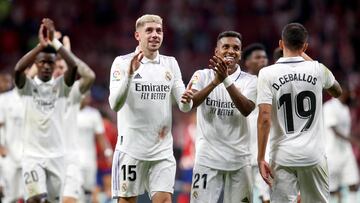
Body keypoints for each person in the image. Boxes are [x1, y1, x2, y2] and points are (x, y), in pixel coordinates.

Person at [108, 14, 193, 203]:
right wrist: (129, 75)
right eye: (149, 30)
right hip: (131, 150)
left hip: (161, 150)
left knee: (164, 200)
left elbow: (185, 105)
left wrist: (187, 99)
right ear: (137, 35)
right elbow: (115, 104)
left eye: (159, 30)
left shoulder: (170, 63)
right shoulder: (122, 62)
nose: (155, 35)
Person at [257, 22, 342, 203]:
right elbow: (337, 91)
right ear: (305, 46)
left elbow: (264, 118)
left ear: (281, 44)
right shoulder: (317, 69)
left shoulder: (266, 73)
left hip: (282, 157)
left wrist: (260, 157)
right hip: (314, 156)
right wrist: (308, 59)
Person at [188, 31, 257, 203]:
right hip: (207, 159)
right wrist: (215, 82)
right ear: (216, 51)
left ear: (240, 54)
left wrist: (225, 80)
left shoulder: (251, 81)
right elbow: (191, 103)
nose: (231, 51)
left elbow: (247, 109)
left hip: (239, 161)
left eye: (236, 48)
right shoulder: (202, 75)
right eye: (226, 47)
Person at [14, 18, 78, 202]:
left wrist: (55, 43)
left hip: (57, 155)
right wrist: (40, 47)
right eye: (42, 62)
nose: (47, 66)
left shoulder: (61, 87)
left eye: (51, 63)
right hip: (32, 156)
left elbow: (72, 66)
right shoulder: (27, 87)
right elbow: (18, 70)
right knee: (35, 198)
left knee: (52, 200)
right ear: (36, 63)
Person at [242, 43, 270, 203]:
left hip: (265, 149)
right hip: (244, 149)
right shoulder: (239, 84)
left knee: (267, 194)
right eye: (258, 57)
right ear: (247, 62)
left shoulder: (271, 82)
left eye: (265, 57)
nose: (263, 61)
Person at [324, 83, 359, 203]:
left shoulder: (345, 108)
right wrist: (353, 140)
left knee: (353, 183)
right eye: (349, 91)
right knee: (333, 189)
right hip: (332, 153)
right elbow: (334, 130)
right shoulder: (329, 107)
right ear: (342, 91)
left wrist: (354, 138)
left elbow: (346, 131)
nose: (351, 94)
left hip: (346, 152)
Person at [0, 74, 25, 203]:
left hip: (27, 155)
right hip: (8, 155)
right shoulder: (3, 99)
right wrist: (1, 147)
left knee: (29, 195)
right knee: (9, 197)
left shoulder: (31, 99)